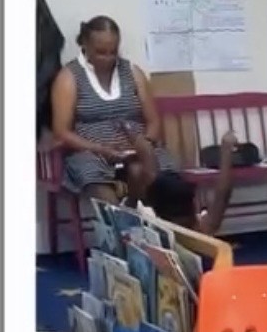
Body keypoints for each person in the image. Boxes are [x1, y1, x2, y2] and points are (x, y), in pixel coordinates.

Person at [50, 15, 178, 203]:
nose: (108, 58)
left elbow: (153, 120)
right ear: (85, 45)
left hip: (135, 148)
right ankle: (119, 218)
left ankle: (147, 215)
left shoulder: (132, 71)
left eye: (113, 51)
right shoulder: (70, 76)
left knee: (162, 174)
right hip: (91, 152)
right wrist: (100, 148)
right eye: (101, 52)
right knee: (96, 180)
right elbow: (61, 132)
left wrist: (145, 143)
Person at [126, 126, 237, 236]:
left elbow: (150, 177)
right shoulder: (201, 230)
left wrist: (139, 141)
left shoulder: (152, 228)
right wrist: (226, 150)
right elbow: (223, 193)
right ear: (193, 204)